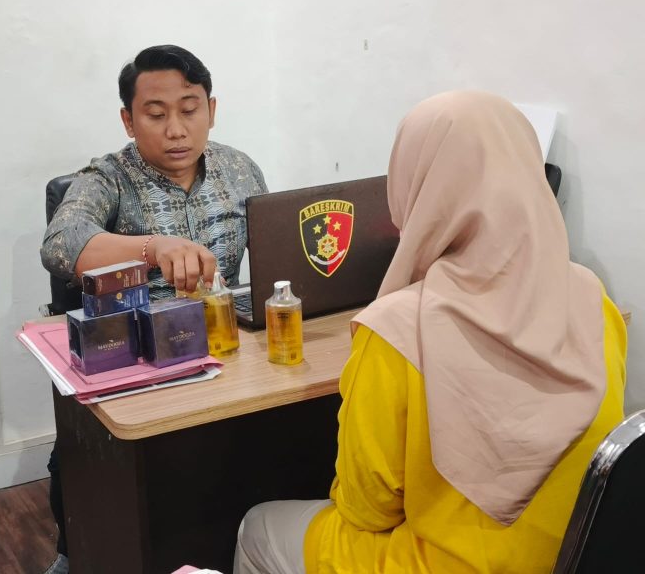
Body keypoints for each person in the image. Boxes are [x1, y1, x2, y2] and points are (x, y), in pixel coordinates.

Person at [233, 91, 627, 574]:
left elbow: (366, 509)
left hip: (442, 566)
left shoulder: (398, 329)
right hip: (572, 555)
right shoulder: (593, 297)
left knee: (258, 525)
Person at [40, 44, 268, 574]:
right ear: (128, 119)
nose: (176, 130)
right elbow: (61, 243)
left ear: (212, 109)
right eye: (156, 114)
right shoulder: (108, 178)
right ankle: (78, 556)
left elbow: (273, 248)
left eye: (189, 110)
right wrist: (152, 248)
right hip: (142, 359)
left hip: (227, 353)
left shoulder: (240, 170)